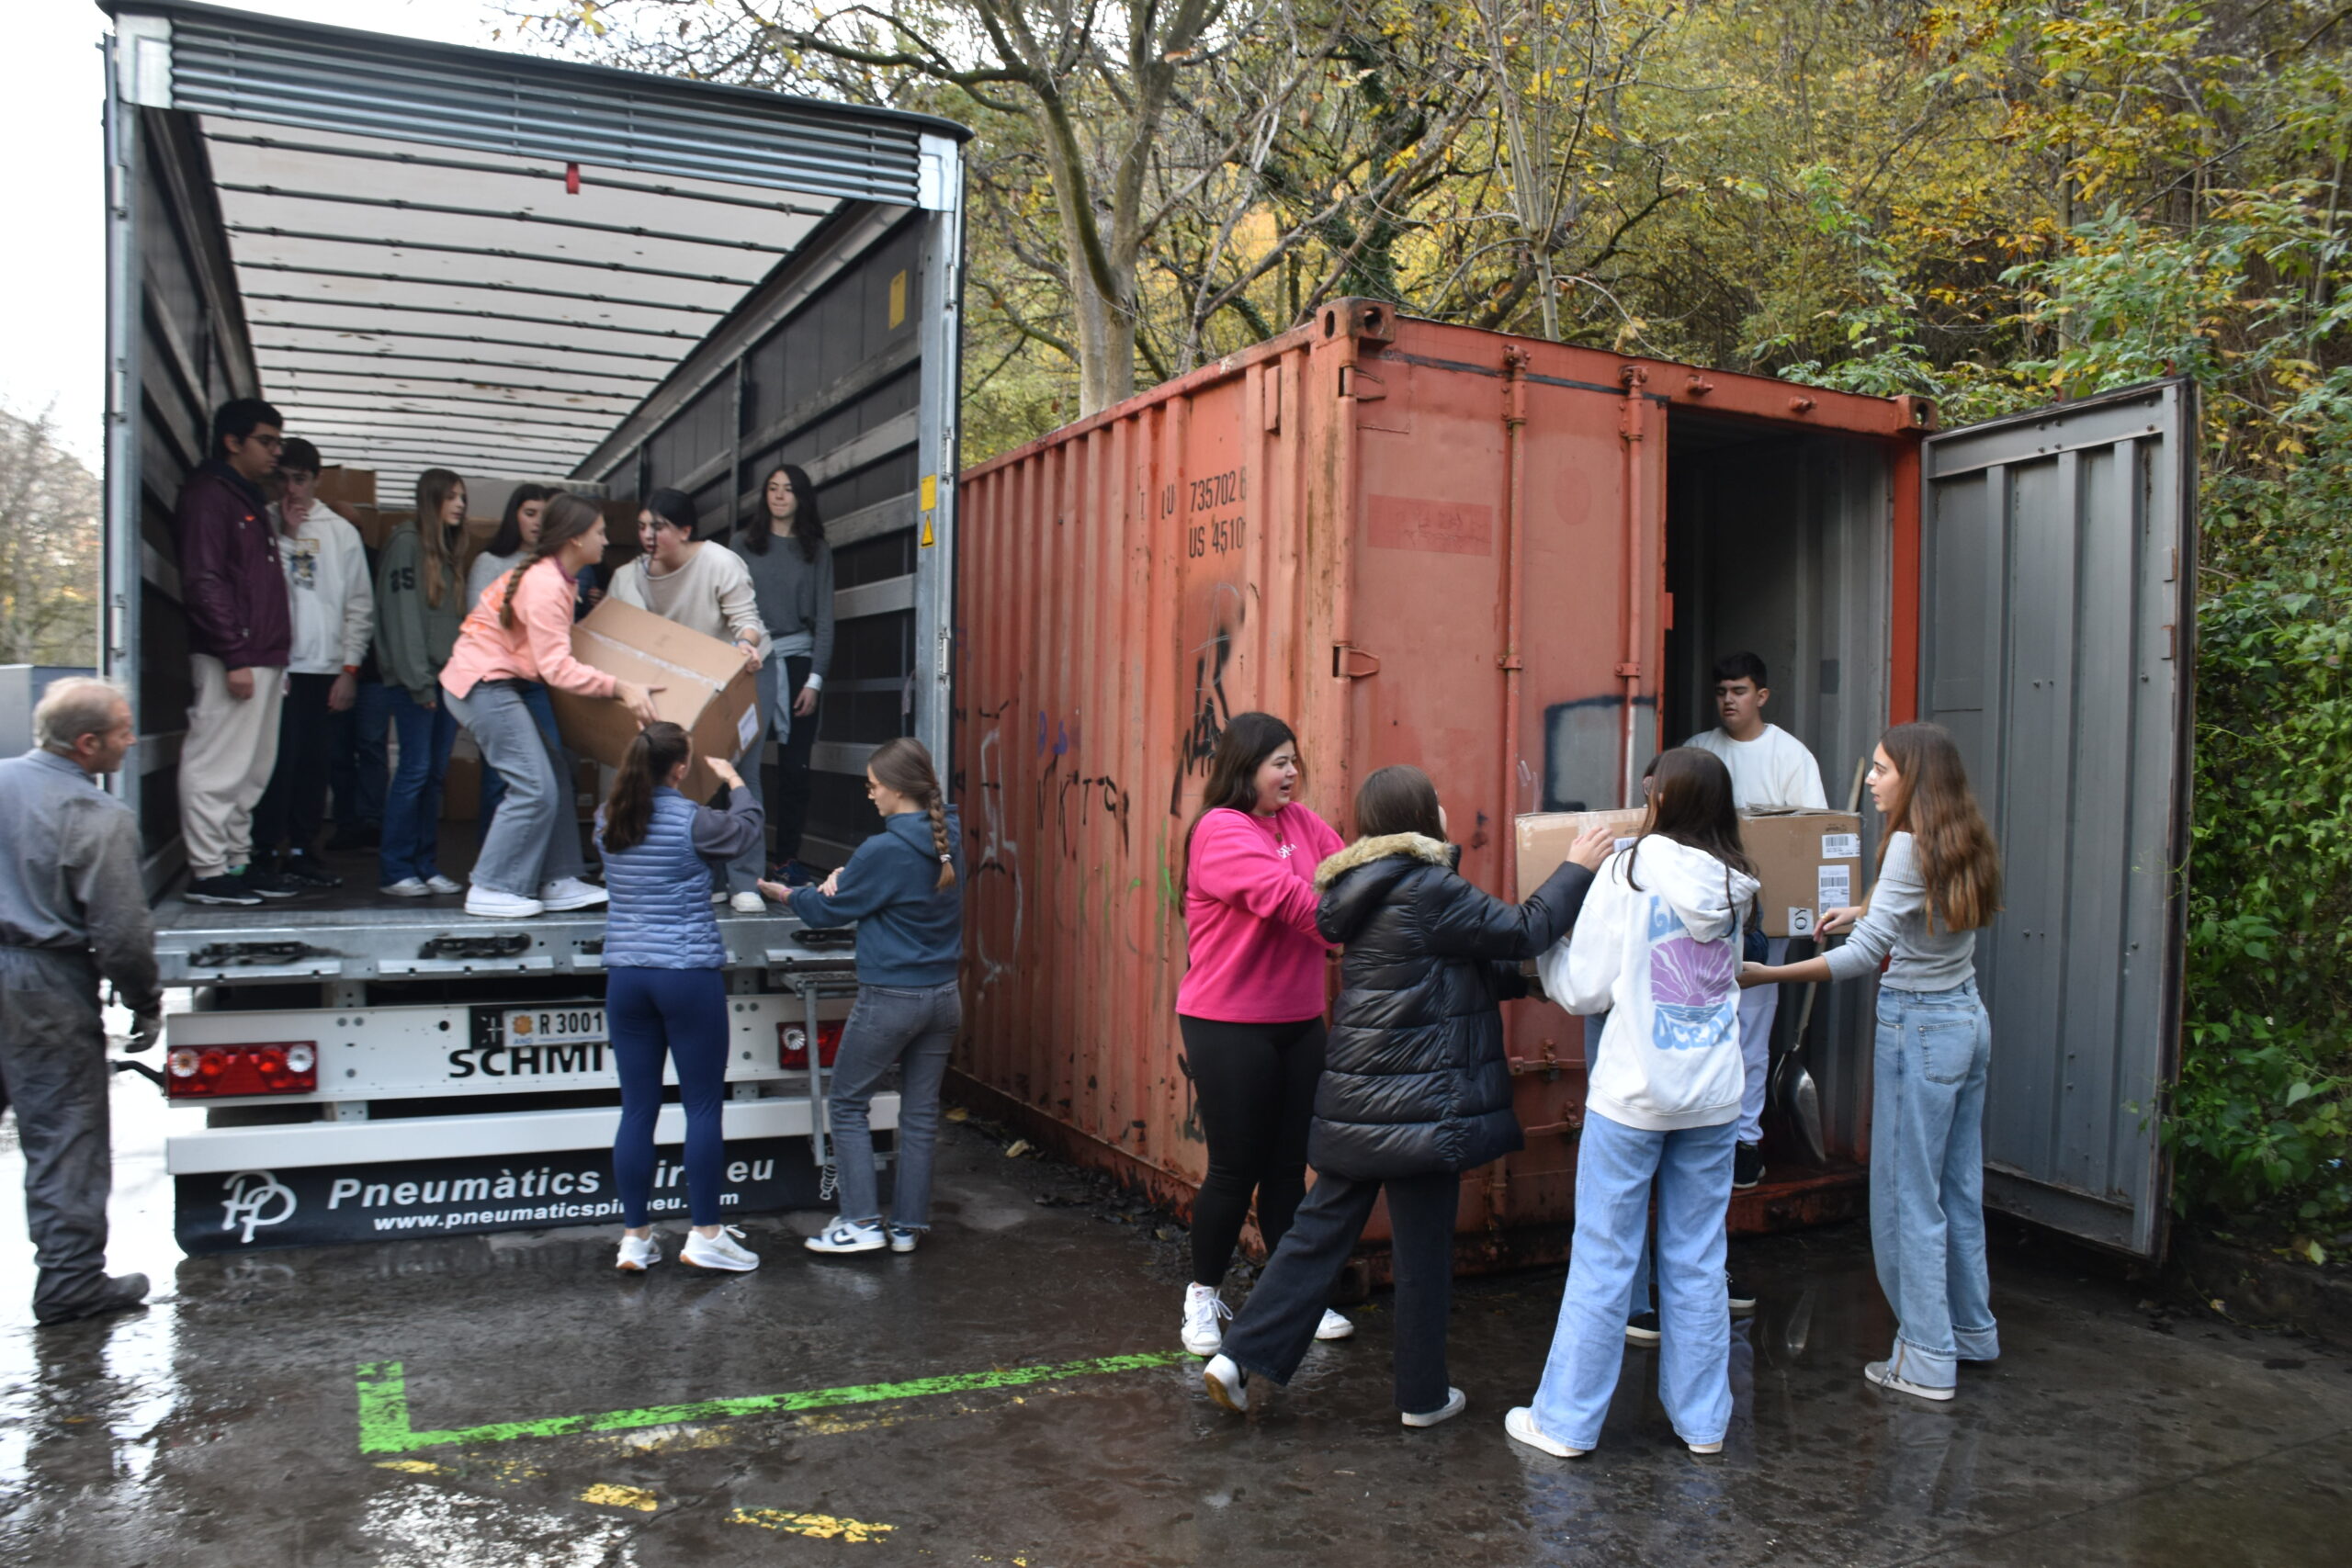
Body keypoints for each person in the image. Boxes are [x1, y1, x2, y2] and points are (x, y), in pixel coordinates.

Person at [1200, 766, 1609, 1427]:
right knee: (1422, 1253)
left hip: (1361, 1101)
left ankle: (1237, 1356)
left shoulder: (1361, 888)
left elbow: (1451, 965)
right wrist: (1577, 868)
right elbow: (1522, 929)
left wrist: (1526, 981)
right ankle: (1421, 1396)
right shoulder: (1430, 885)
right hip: (1423, 1104)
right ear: (1422, 817)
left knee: (1314, 1235)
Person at [1738, 722, 2002, 1404]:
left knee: (1904, 1196)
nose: (1875, 781)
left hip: (1918, 1028)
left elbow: (1860, 960)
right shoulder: (1960, 833)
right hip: (1965, 1019)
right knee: (1955, 1189)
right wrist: (1865, 908)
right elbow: (1919, 917)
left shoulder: (1909, 846)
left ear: (1913, 777)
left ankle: (1925, 1357)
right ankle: (1970, 1331)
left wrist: (1768, 975)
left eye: (1884, 769)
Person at [1509, 747, 1758, 1460]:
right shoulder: (1739, 882)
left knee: (1606, 1256)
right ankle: (1705, 1422)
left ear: (1664, 801)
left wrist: (1549, 954)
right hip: (1714, 1098)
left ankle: (1565, 1423)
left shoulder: (1629, 870)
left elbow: (1584, 987)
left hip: (1634, 1097)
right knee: (1698, 1256)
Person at [1165, 713, 1347, 1357]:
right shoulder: (1221, 831)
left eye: (1295, 760)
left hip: (1297, 1020)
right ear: (1244, 769)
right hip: (1227, 1024)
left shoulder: (1301, 824)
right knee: (1235, 1169)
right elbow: (1294, 901)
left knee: (1285, 1169)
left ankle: (1290, 1297)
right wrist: (1347, 921)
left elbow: (1345, 864)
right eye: (1278, 762)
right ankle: (1202, 1296)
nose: (1291, 772)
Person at [760, 739, 963, 1256]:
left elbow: (827, 913)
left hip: (892, 998)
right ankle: (907, 1228)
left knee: (848, 1104)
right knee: (918, 1113)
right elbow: (891, 891)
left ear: (896, 789)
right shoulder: (949, 839)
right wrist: (849, 881)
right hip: (944, 996)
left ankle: (860, 1223)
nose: (870, 795)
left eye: (873, 787)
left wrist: (785, 893)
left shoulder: (884, 848)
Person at [0, 680, 161, 1324]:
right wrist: (144, 1001)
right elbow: (121, 933)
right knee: (63, 1132)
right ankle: (70, 1283)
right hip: (41, 983)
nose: (132, 740)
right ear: (87, 743)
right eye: (123, 731)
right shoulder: (94, 816)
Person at [441, 493, 659, 919]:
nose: (606, 539)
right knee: (534, 785)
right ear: (576, 539)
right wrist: (621, 687)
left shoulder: (562, 580)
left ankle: (558, 878)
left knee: (555, 771)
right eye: (600, 532)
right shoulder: (545, 585)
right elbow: (557, 669)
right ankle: (491, 885)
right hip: (482, 685)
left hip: (508, 684)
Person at [596, 722, 764, 1272]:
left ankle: (635, 1238)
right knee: (701, 1106)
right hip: (686, 973)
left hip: (626, 977)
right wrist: (737, 781)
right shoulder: (694, 820)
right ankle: (705, 1233)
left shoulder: (608, 818)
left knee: (638, 1109)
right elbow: (746, 831)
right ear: (681, 768)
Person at [1685, 651, 1826, 1192]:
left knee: (1751, 1028)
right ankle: (1702, 1137)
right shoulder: (1699, 752)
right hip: (1699, 914)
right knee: (1695, 1023)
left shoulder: (1790, 757)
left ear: (1760, 696)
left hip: (1763, 921)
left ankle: (1745, 1142)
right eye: (1721, 690)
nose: (1728, 700)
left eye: (1739, 691)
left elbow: (1808, 841)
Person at [612, 488, 768, 909]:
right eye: (642, 525)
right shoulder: (629, 576)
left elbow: (747, 621)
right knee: (695, 778)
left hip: (741, 675)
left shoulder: (717, 561)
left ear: (684, 530)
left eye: (658, 526)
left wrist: (745, 645)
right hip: (686, 682)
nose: (648, 534)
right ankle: (711, 877)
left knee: (738, 773)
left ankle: (746, 882)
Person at [174, 398, 298, 908]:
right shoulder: (211, 497)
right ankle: (208, 871)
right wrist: (234, 654)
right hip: (236, 654)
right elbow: (204, 580)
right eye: (266, 441)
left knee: (251, 770)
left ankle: (235, 862)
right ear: (233, 441)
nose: (276, 452)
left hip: (261, 654)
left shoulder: (246, 500)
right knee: (217, 765)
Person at [251, 439, 373, 889]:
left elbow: (359, 605)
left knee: (313, 765)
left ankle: (303, 850)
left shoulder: (340, 531)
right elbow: (265, 591)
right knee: (272, 763)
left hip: (322, 669)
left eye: (300, 479)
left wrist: (349, 668)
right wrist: (286, 535)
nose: (291, 488)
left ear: (316, 480)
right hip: (275, 667)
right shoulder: (263, 521)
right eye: (281, 478)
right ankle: (263, 850)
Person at [732, 465, 833, 887]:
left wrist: (814, 680)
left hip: (796, 662)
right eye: (772, 489)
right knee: (739, 763)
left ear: (801, 497)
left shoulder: (817, 550)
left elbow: (826, 620)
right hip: (750, 659)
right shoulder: (741, 544)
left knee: (795, 770)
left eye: (788, 490)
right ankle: (733, 857)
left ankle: (787, 859)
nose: (778, 496)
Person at [374, 468, 469, 898]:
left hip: (444, 683)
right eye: (451, 497)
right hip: (419, 683)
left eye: (462, 498)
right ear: (431, 500)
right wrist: (419, 683)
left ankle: (424, 864)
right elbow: (402, 620)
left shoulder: (446, 553)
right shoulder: (407, 543)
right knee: (413, 772)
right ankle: (396, 868)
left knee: (432, 776)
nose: (460, 505)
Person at [464, 485, 561, 829]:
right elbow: (479, 621)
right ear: (514, 516)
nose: (537, 522)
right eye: (529, 513)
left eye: (544, 516)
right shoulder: (489, 562)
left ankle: (543, 867)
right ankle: (492, 871)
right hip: (498, 683)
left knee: (551, 765)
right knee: (500, 777)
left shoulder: (553, 565)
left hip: (538, 682)